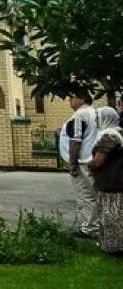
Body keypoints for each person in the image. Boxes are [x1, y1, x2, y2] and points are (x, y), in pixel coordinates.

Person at [64, 89, 99, 237]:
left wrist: (73, 163)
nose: (69, 100)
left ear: (83, 98)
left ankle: (90, 229)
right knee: (94, 194)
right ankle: (96, 226)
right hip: (93, 159)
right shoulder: (94, 113)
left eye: (72, 97)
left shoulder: (80, 115)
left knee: (85, 194)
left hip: (83, 161)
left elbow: (76, 140)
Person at [89, 107, 122, 255]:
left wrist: (87, 164)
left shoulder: (109, 136)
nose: (95, 121)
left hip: (111, 182)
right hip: (117, 180)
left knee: (111, 216)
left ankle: (114, 247)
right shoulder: (119, 133)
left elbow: (98, 161)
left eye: (97, 118)